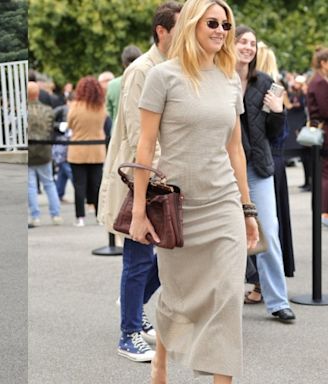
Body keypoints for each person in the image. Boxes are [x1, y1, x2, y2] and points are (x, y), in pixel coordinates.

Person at [130, 0, 259, 382]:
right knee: (177, 294)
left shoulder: (230, 78)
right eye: (213, 23)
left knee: (228, 297)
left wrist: (247, 209)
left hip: (222, 205)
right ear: (191, 25)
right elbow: (145, 145)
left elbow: (235, 149)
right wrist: (138, 211)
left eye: (226, 24)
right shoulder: (163, 77)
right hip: (177, 205)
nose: (221, 30)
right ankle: (161, 360)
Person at [98, 1, 181, 363]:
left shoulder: (171, 69)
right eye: (182, 29)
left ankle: (133, 306)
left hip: (166, 179)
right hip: (143, 180)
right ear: (162, 31)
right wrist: (162, 177)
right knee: (139, 258)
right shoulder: (141, 71)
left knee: (166, 258)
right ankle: (128, 331)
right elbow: (138, 138)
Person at [235, 25, 296, 320]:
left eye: (252, 43)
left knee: (268, 231)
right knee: (223, 237)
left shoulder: (265, 82)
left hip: (258, 167)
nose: (248, 47)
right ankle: (218, 303)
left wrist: (278, 111)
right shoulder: (217, 79)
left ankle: (278, 302)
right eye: (243, 42)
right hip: (224, 169)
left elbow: (275, 133)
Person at [67, 77, 109, 227]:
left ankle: (80, 217)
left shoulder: (75, 106)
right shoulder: (101, 107)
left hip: (77, 150)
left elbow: (70, 124)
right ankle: (99, 216)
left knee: (79, 185)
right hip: (97, 151)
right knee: (96, 185)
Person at [27, 82, 63, 227]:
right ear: (38, 93)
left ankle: (35, 216)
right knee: (49, 183)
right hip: (44, 151)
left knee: (30, 186)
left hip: (29, 152)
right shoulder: (48, 110)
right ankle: (56, 215)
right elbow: (51, 131)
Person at [306, 47, 328, 227]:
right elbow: (324, 109)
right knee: (325, 173)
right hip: (324, 132)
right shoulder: (319, 82)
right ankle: (324, 212)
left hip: (322, 131)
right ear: (323, 63)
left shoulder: (318, 80)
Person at [105, 45, 143, 123]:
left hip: (116, 131)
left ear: (123, 63)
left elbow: (109, 113)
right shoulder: (146, 81)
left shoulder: (112, 85)